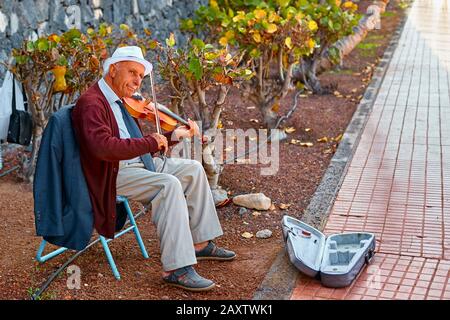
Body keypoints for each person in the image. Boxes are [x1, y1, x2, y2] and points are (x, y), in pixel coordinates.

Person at [71, 46, 235, 292]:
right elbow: (103, 148)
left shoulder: (117, 100)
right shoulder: (92, 103)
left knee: (192, 169)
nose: (137, 81)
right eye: (132, 73)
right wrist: (151, 141)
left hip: (133, 163)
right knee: (168, 185)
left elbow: (131, 143)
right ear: (113, 69)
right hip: (109, 173)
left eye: (140, 75)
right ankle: (176, 269)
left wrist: (171, 136)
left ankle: (200, 244)